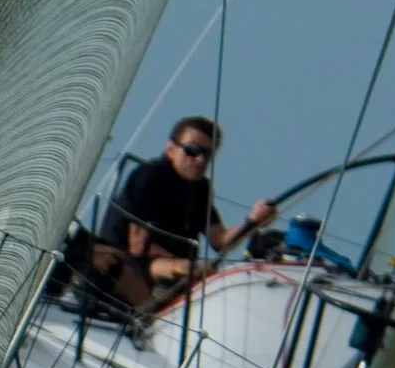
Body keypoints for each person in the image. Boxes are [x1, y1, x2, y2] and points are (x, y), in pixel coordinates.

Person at [96, 116, 275, 309]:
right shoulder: (149, 176)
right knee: (195, 271)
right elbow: (138, 246)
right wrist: (186, 265)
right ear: (170, 149)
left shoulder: (200, 188)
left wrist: (253, 221)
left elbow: (219, 240)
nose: (200, 160)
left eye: (207, 154)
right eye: (192, 151)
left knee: (214, 277)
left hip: (177, 269)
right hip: (128, 265)